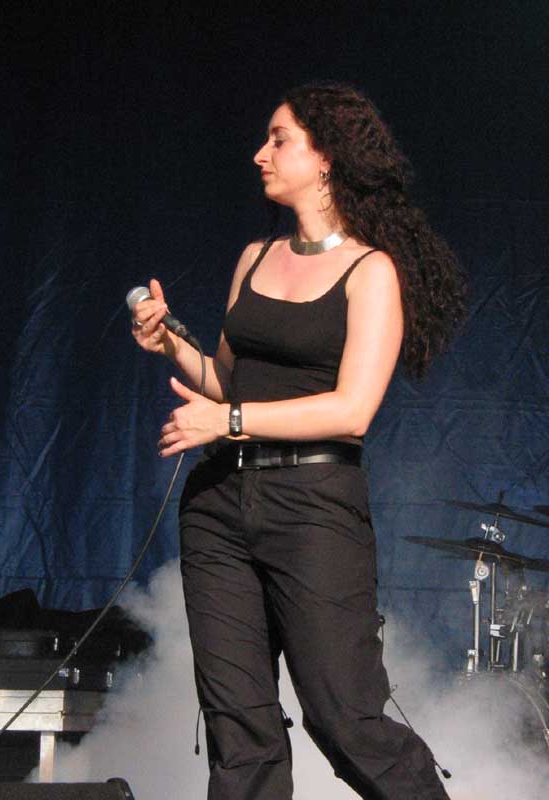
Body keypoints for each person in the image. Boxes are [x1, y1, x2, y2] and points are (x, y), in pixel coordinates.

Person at [131, 82, 466, 800]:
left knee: (346, 719)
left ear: (326, 157)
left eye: (279, 139)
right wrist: (171, 346)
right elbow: (227, 382)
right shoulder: (254, 257)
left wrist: (228, 422)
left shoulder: (371, 272)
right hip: (218, 509)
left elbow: (351, 411)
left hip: (313, 508)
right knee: (239, 731)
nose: (261, 153)